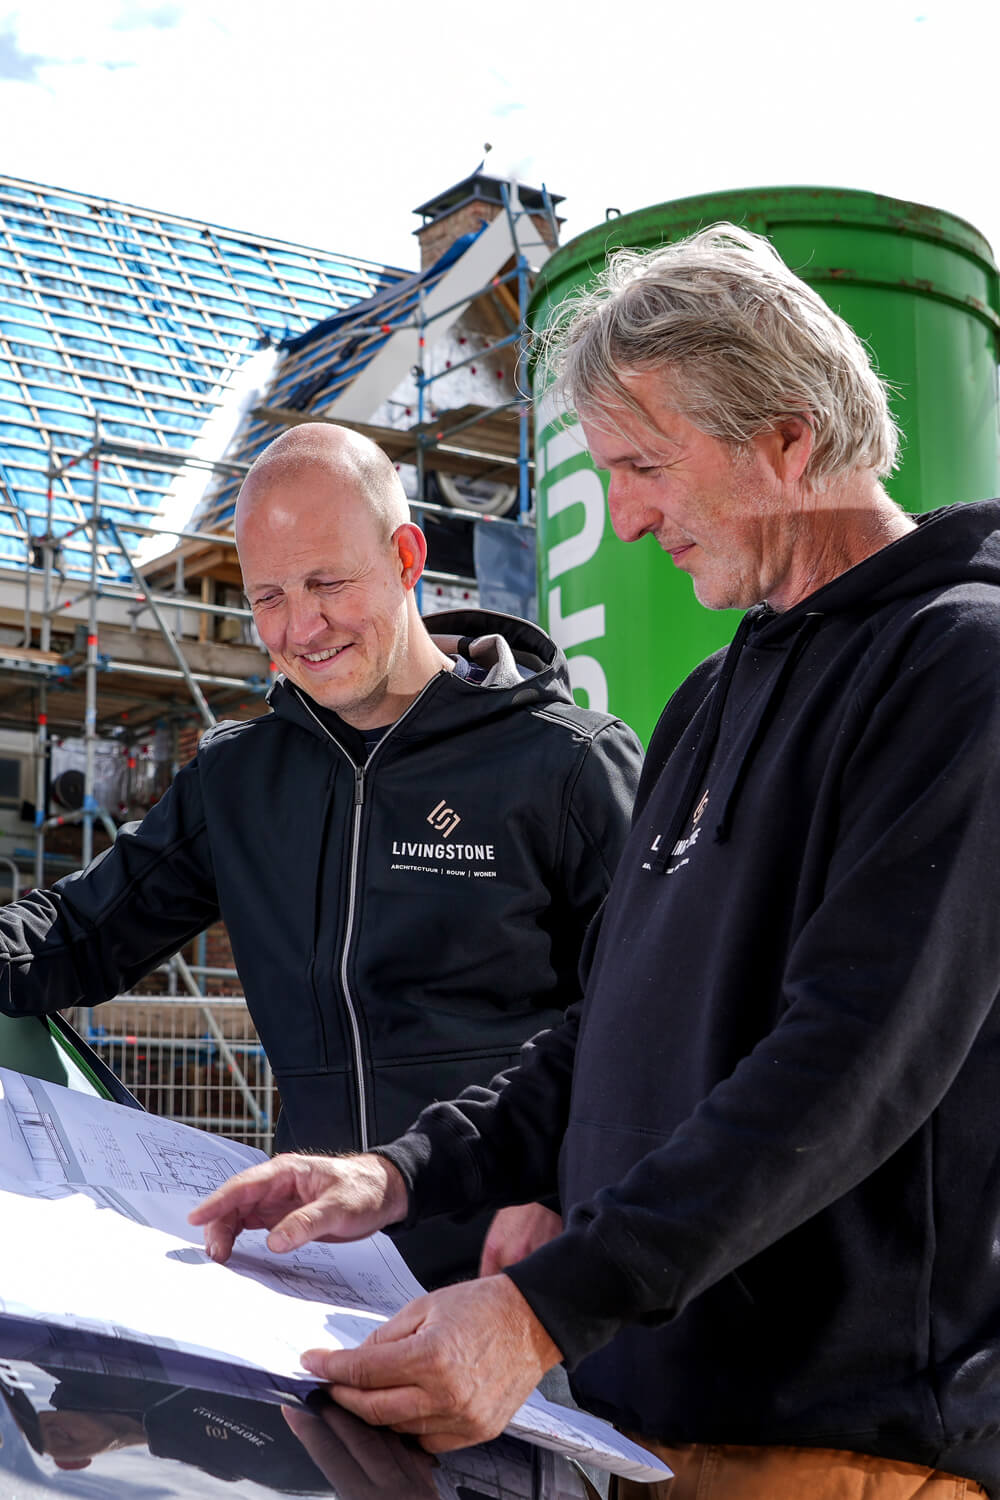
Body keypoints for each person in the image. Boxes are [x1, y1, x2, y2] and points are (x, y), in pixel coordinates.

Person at [192, 224, 1000, 1500]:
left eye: (642, 467)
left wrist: (535, 1312)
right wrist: (397, 1173)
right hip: (639, 1425)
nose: (622, 520)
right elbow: (601, 1035)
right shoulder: (705, 701)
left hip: (839, 1446)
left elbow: (852, 1062)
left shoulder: (958, 668)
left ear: (788, 440)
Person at [0, 422, 642, 1288]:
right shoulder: (240, 779)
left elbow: (651, 1018)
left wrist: (567, 1188)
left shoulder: (566, 762)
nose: (301, 627)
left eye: (327, 582)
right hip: (319, 1273)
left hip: (523, 1278)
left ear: (407, 557)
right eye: (267, 597)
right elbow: (74, 937)